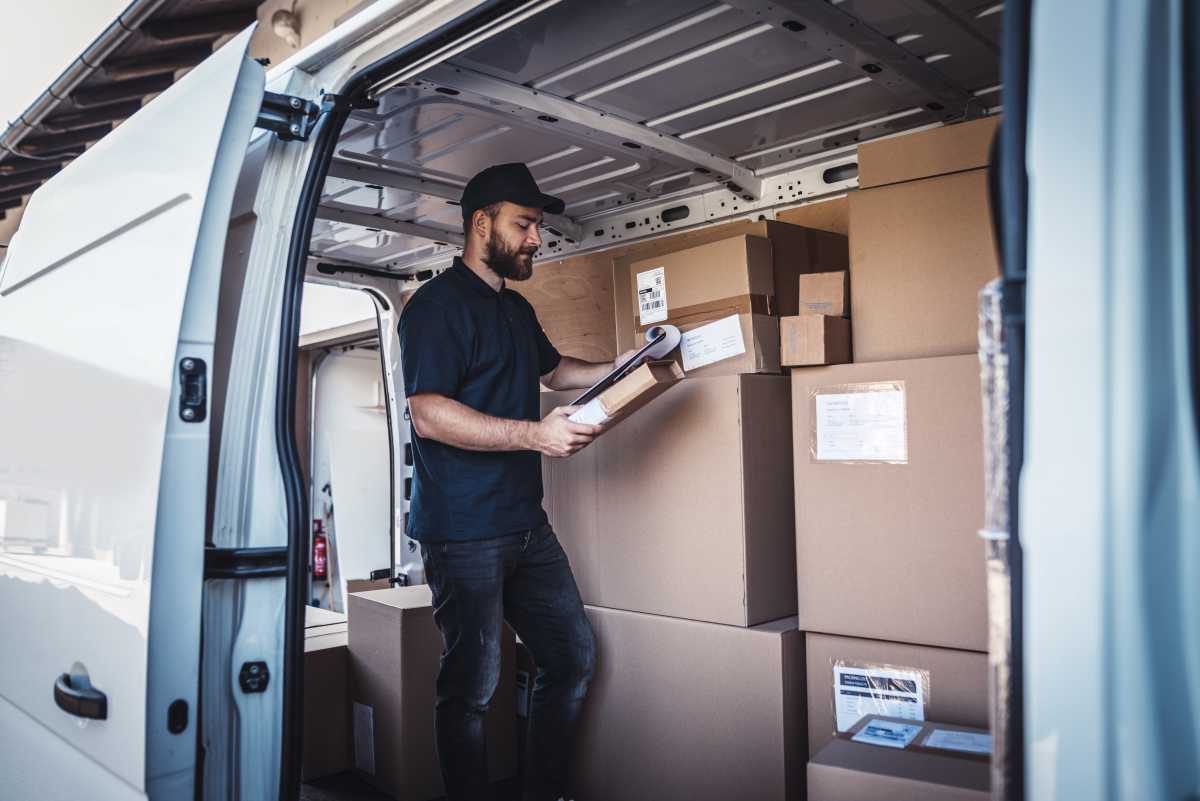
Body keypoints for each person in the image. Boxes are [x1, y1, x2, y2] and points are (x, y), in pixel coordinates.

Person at [398, 162, 638, 801]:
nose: (537, 239)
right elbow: (427, 413)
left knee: (571, 659)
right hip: (463, 532)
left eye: (537, 226)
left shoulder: (514, 308)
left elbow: (557, 372)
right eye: (525, 224)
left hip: (525, 525)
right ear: (482, 225)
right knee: (472, 691)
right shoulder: (435, 308)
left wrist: (628, 363)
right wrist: (535, 435)